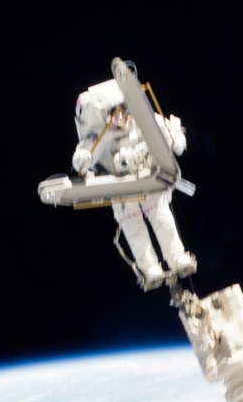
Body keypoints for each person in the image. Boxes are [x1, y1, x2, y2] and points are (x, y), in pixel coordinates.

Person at [71, 77, 194, 284]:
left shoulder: (142, 121)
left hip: (147, 180)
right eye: (112, 114)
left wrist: (175, 140)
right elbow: (84, 153)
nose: (118, 118)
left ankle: (177, 258)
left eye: (120, 111)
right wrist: (81, 160)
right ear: (105, 115)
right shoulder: (101, 135)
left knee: (162, 219)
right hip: (121, 188)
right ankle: (150, 267)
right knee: (133, 228)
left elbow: (170, 133)